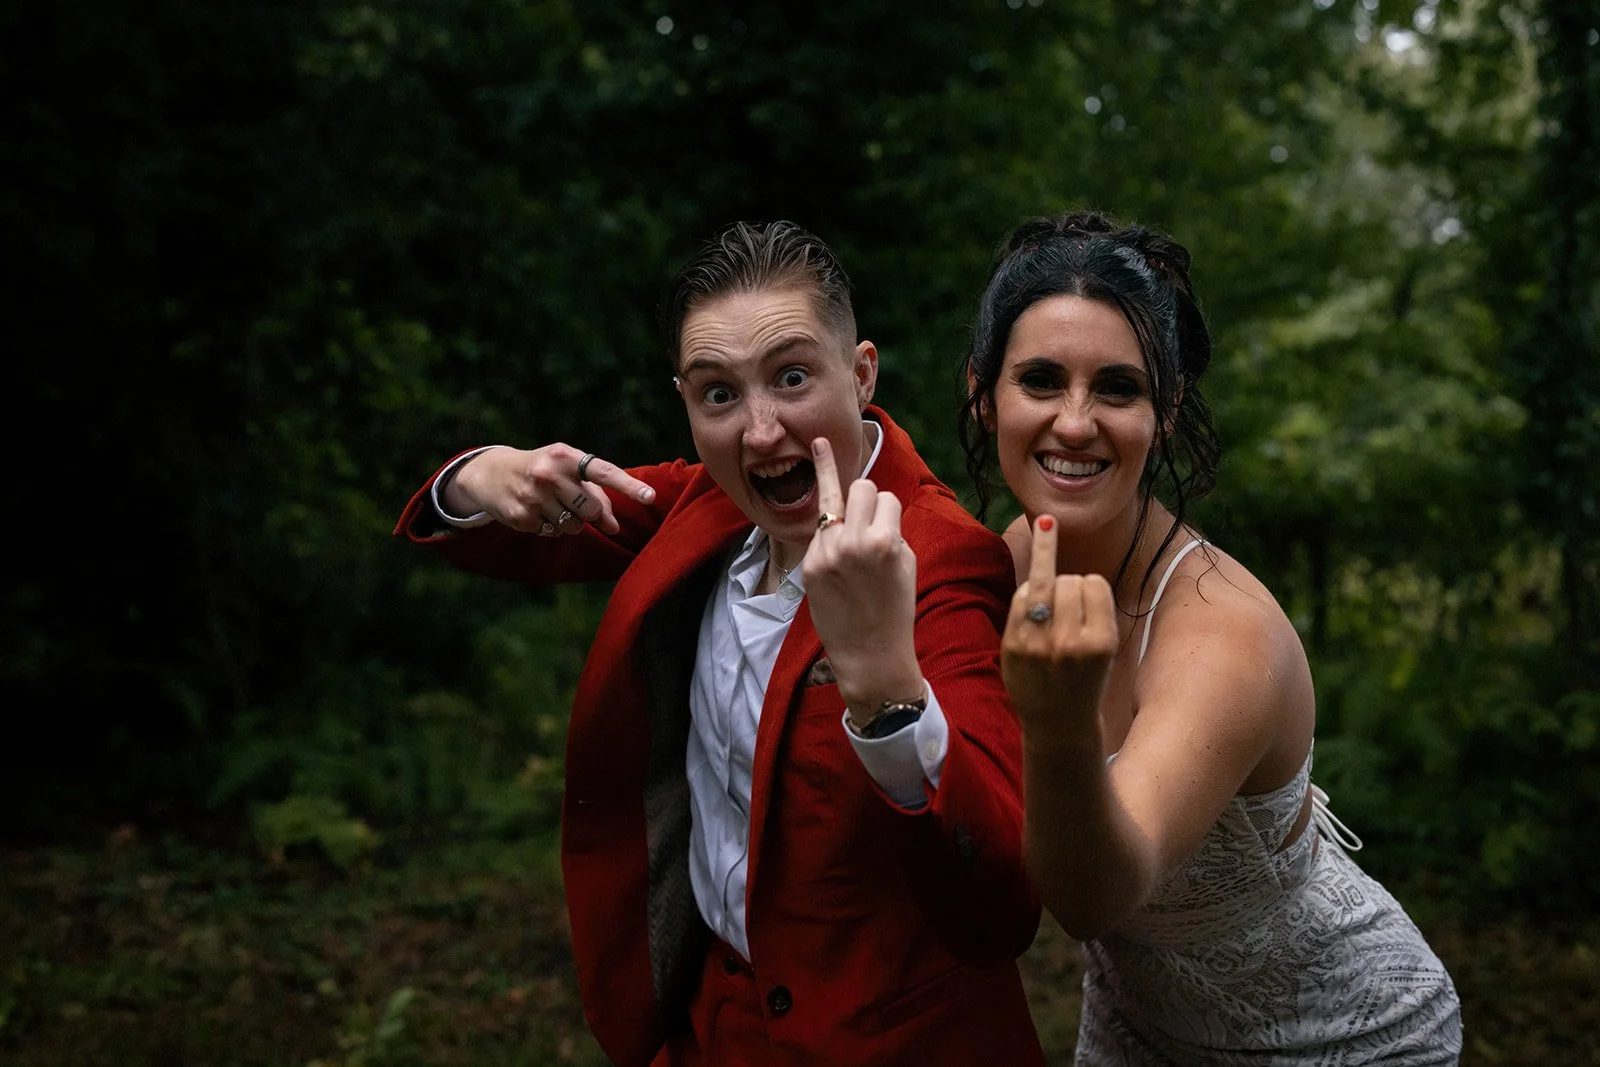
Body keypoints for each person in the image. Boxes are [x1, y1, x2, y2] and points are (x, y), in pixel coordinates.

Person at [395, 220, 1045, 1066]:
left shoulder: (943, 557)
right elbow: (506, 533)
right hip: (709, 1028)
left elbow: (998, 897)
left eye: (792, 376)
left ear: (861, 372)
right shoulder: (709, 502)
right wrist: (482, 470)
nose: (761, 431)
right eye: (719, 394)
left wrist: (884, 688)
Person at [958, 210, 1463, 1064]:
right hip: (1139, 1024)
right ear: (984, 391)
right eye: (1040, 380)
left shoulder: (1223, 634)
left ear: (1166, 409)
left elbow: (1093, 899)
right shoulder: (1003, 564)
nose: (1074, 422)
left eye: (1118, 388)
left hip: (1347, 1035)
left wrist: (1059, 724)